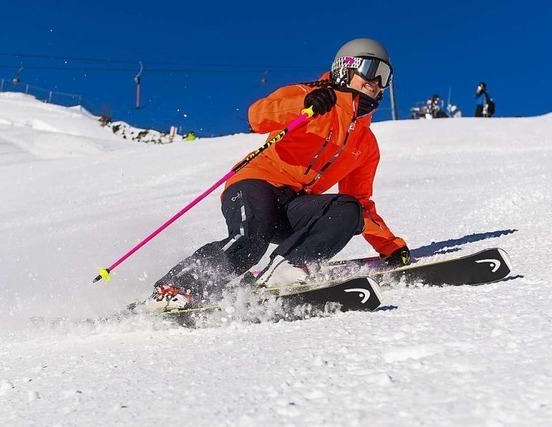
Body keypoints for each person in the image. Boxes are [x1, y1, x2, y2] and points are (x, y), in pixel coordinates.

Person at [147, 38, 410, 312]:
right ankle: (174, 287)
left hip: (294, 204)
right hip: (255, 183)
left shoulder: (366, 145)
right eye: (371, 70)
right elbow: (257, 116)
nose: (376, 82)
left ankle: (287, 266)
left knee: (348, 209)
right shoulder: (308, 97)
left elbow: (361, 201)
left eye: (384, 76)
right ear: (345, 68)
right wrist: (303, 104)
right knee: (250, 241)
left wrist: (390, 245)